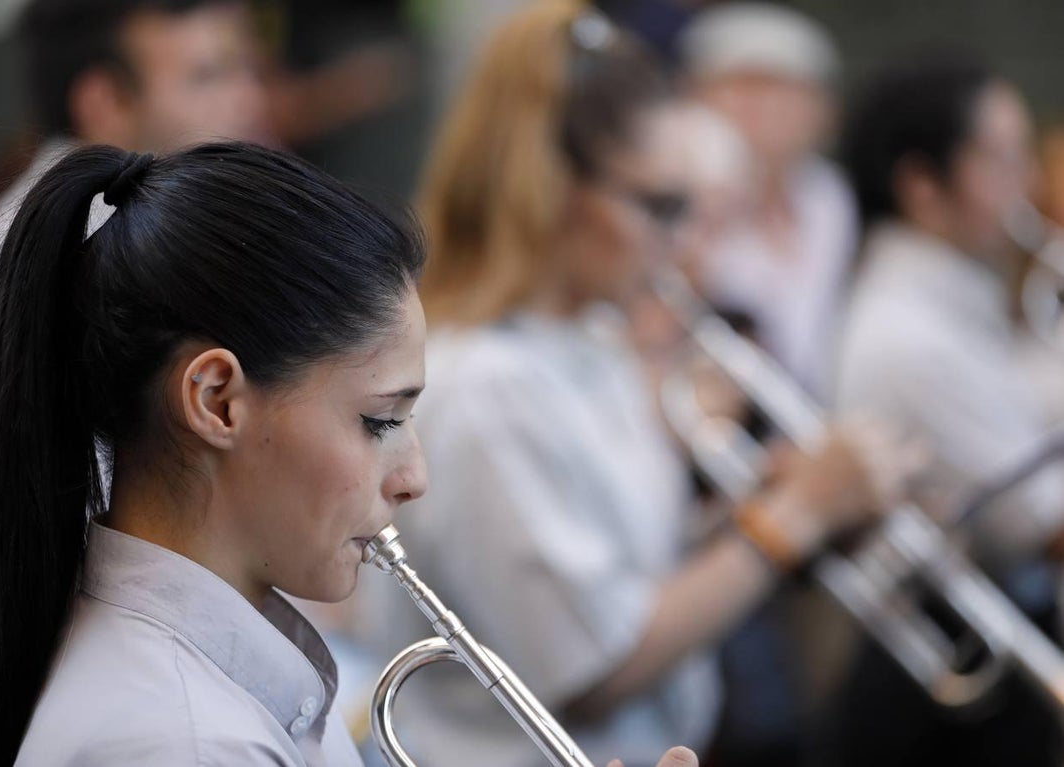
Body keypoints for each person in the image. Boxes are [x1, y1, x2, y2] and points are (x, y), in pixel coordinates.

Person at [0, 140, 699, 767]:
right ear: (217, 400)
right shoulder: (181, 742)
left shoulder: (209, 686)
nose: (414, 478)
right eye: (378, 420)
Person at [351, 4, 914, 766]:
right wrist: (792, 517)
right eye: (661, 207)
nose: (681, 244)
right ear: (555, 190)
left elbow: (624, 571)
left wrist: (761, 508)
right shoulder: (487, 382)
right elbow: (592, 665)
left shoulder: (588, 341)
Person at [0, 0, 273, 681]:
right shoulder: (89, 263)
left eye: (246, 70)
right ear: (104, 102)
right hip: (47, 689)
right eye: (209, 76)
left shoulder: (80, 227)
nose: (249, 102)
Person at [819, 50, 1064, 767]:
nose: (1028, 182)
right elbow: (1042, 524)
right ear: (922, 186)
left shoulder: (954, 299)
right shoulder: (910, 333)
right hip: (951, 690)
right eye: (1001, 157)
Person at [678, 2, 856, 400]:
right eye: (742, 86)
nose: (763, 108)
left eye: (784, 88)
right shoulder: (674, 209)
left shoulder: (830, 198)